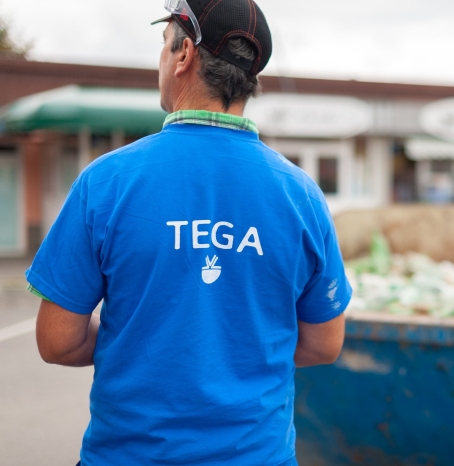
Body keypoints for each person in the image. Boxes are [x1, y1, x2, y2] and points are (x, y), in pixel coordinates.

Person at [26, 1, 351, 464]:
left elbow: (58, 340)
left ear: (183, 56)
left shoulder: (107, 182)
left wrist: (144, 341)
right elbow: (324, 343)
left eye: (164, 44)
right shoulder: (301, 196)